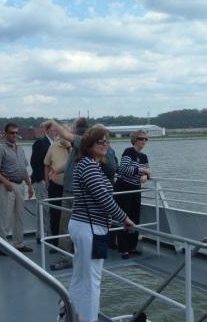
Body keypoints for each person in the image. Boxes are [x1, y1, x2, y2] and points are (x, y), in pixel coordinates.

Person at [68, 127, 135, 322]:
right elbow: (103, 199)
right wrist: (124, 219)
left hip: (87, 226)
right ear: (89, 144)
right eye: (101, 142)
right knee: (92, 282)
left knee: (81, 277)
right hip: (89, 228)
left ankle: (74, 316)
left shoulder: (90, 165)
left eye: (107, 142)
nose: (105, 145)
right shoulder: (88, 166)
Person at [41, 118, 89, 270]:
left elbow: (66, 136)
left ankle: (75, 258)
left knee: (74, 228)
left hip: (77, 194)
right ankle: (67, 257)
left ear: (77, 129)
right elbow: (70, 163)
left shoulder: (83, 142)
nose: (71, 130)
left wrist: (53, 123)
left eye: (73, 127)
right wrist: (56, 170)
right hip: (68, 191)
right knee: (65, 227)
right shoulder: (77, 147)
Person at [0, 123, 34, 255]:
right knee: (6, 217)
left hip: (20, 185)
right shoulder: (0, 150)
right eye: (11, 133)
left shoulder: (20, 150)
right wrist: (5, 182)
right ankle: (3, 247)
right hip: (7, 186)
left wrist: (30, 186)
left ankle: (18, 244)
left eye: (16, 133)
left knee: (19, 216)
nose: (14, 135)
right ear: (6, 134)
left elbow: (24, 170)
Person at [115, 130, 151, 259]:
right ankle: (124, 249)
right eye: (141, 138)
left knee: (135, 217)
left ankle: (132, 247)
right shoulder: (128, 152)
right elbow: (122, 169)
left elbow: (149, 172)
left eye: (146, 139)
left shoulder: (144, 157)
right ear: (135, 139)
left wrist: (146, 176)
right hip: (124, 188)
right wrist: (141, 170)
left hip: (136, 189)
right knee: (124, 216)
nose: (144, 141)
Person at [30, 123, 58, 242]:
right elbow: (34, 162)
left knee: (48, 209)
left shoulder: (53, 144)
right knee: (44, 209)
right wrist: (43, 179)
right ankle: (42, 235)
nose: (55, 132)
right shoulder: (41, 143)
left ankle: (46, 233)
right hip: (42, 181)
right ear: (47, 131)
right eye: (53, 130)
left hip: (50, 182)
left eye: (56, 130)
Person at [43, 139, 71, 250]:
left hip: (70, 187)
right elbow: (46, 164)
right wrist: (47, 181)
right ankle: (55, 243)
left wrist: (69, 147)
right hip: (55, 186)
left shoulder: (74, 148)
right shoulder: (53, 147)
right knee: (55, 213)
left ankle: (70, 244)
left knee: (69, 216)